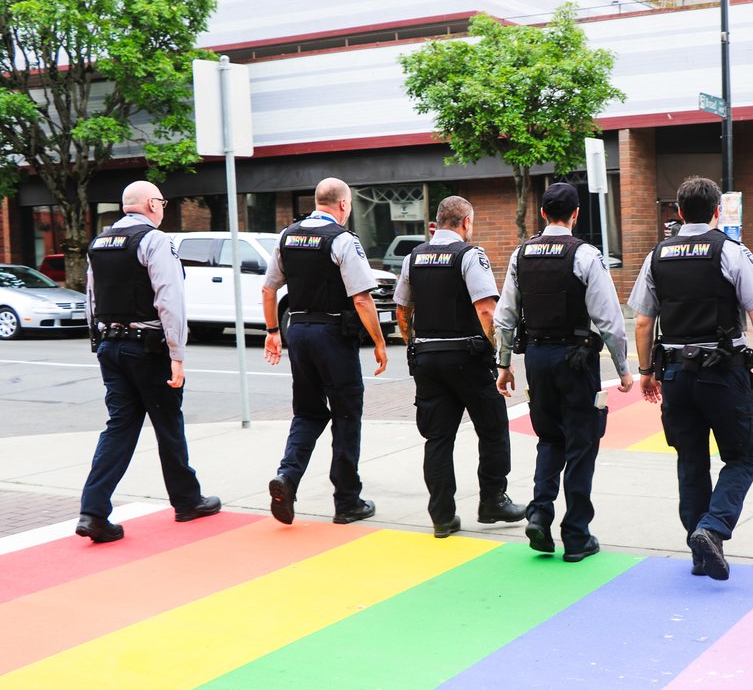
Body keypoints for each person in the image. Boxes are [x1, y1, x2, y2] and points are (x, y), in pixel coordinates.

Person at [630, 177, 753, 581]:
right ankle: (712, 529)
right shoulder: (731, 252)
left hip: (676, 375)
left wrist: (646, 371)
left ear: (678, 212)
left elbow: (644, 321)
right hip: (724, 373)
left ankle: (698, 549)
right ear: (718, 211)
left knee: (691, 460)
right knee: (742, 455)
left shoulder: (656, 256)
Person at [495, 183, 635, 562]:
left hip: (537, 359)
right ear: (576, 214)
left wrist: (504, 364)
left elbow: (504, 316)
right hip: (576, 360)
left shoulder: (520, 254)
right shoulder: (585, 255)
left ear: (542, 213)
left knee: (549, 438)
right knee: (582, 443)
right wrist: (624, 369)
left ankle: (539, 513)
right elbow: (609, 319)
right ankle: (576, 535)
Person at [77, 181, 220, 543]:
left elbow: (90, 299)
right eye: (161, 201)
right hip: (148, 348)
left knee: (120, 427)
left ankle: (93, 511)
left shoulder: (100, 243)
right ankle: (187, 501)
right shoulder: (155, 241)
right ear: (150, 205)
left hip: (111, 345)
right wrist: (177, 355)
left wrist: (99, 343)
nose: (163, 207)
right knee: (168, 423)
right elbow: (169, 300)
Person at [396, 196, 525, 538]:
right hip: (467, 360)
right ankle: (492, 501)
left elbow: (402, 310)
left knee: (438, 438)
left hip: (426, 359)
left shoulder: (414, 257)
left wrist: (413, 343)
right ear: (466, 222)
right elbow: (486, 311)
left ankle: (442, 516)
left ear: (438, 222)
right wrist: (502, 359)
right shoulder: (469, 256)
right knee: (493, 428)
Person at [262, 177, 387, 525]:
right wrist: (379, 342)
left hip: (297, 332)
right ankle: (347, 500)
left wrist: (273, 331)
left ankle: (287, 477)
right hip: (332, 334)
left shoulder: (287, 236)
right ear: (344, 205)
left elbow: (269, 289)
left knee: (308, 411)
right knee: (346, 414)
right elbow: (361, 298)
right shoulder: (342, 240)